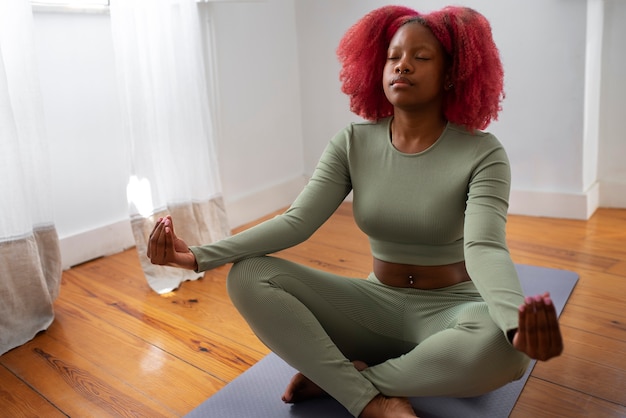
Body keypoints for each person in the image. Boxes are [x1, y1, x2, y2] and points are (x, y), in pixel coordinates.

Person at [147, 5, 563, 418]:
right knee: (250, 274)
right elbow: (297, 221)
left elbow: (485, 246)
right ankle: (370, 400)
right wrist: (198, 255)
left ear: (451, 74)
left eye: (420, 58)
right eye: (393, 57)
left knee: (506, 355)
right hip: (373, 305)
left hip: (451, 311)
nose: (402, 67)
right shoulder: (352, 142)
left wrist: (514, 326)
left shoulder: (482, 152)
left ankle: (343, 381)